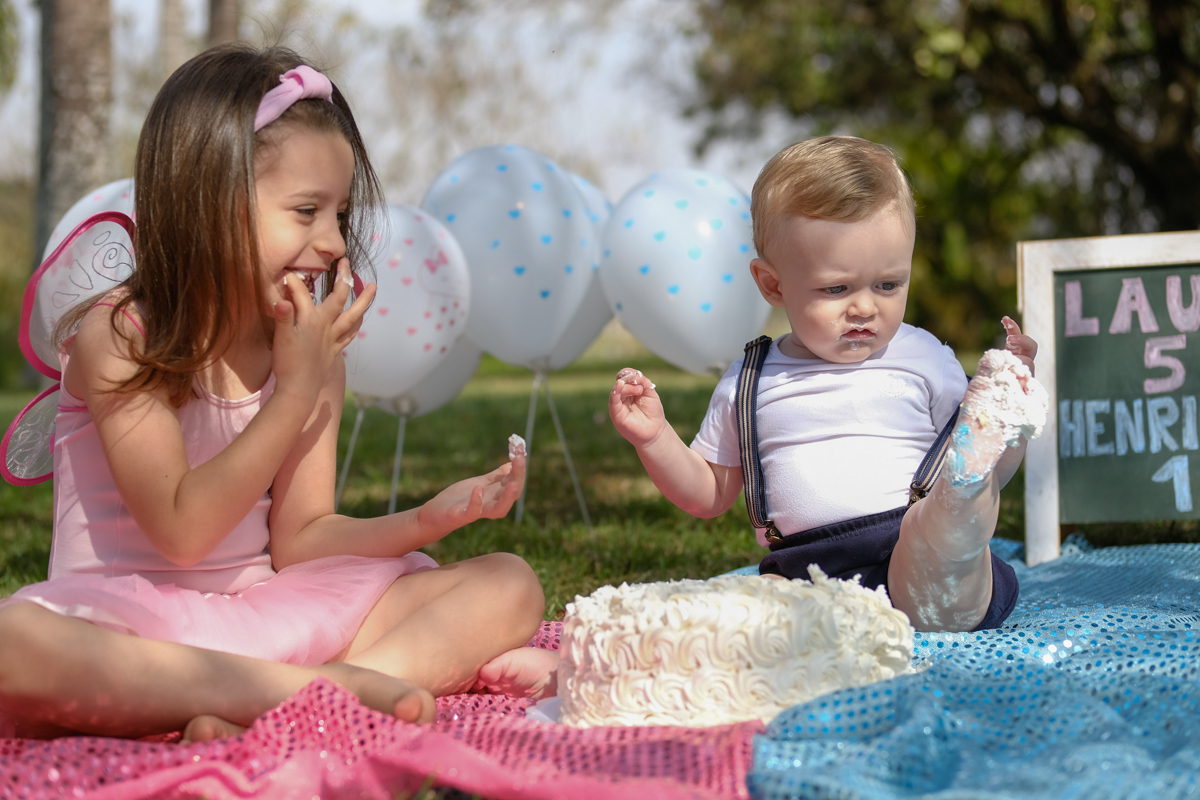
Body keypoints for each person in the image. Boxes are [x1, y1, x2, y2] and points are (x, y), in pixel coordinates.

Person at [0, 45, 552, 742]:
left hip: (266, 614)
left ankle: (281, 703)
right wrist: (292, 393)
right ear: (207, 200)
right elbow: (182, 531)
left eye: (339, 214)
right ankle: (326, 696)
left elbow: (301, 541)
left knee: (509, 582)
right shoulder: (121, 334)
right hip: (134, 630)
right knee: (14, 644)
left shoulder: (307, 350)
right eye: (305, 210)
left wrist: (430, 518)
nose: (329, 242)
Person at [609, 136, 1046, 633]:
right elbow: (708, 494)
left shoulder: (924, 357)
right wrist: (655, 437)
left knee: (951, 508)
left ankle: (963, 502)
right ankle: (955, 513)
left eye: (888, 284)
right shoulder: (750, 382)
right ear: (773, 285)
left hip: (915, 553)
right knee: (740, 623)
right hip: (808, 578)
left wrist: (1008, 407)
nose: (864, 307)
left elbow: (997, 465)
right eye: (836, 288)